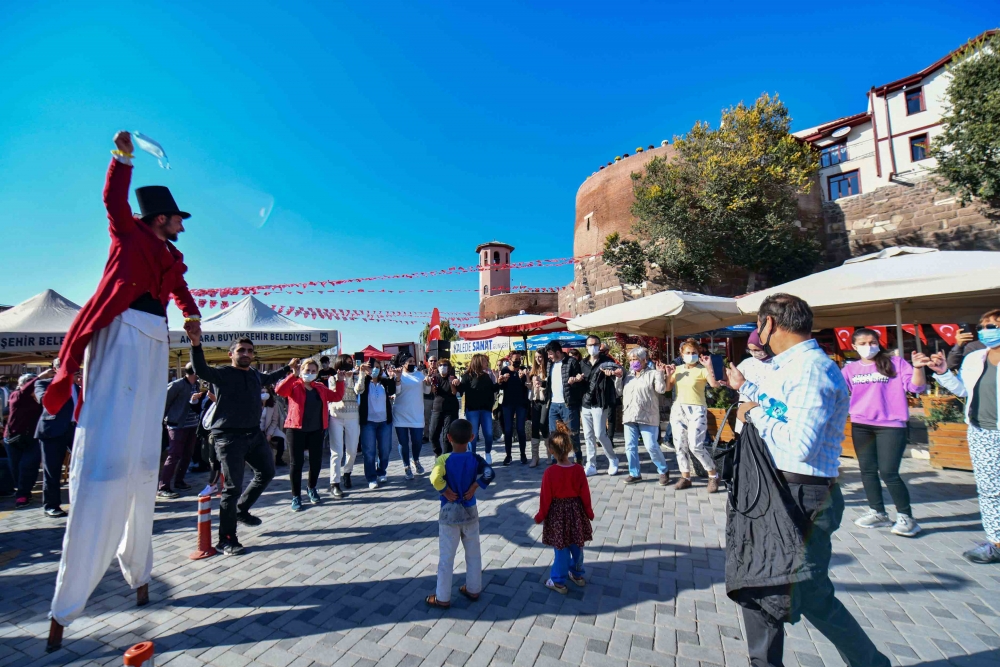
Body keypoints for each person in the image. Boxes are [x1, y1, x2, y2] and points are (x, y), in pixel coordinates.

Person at [45, 131, 203, 647]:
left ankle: (137, 568)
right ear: (160, 218)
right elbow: (113, 198)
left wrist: (192, 314)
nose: (182, 224)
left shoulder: (170, 257)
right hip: (120, 333)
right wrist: (122, 158)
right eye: (178, 217)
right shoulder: (129, 235)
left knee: (142, 456)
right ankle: (69, 598)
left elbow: (178, 287)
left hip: (154, 340)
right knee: (110, 450)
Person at [725, 293, 891, 667]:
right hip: (779, 490)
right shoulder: (789, 367)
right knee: (761, 586)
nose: (757, 331)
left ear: (769, 324)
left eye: (758, 324)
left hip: (803, 497)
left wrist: (753, 415)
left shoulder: (812, 369)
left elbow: (800, 444)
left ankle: (870, 663)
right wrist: (746, 390)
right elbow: (780, 409)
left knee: (805, 592)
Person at [190, 335, 292, 555]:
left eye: (249, 351)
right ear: (231, 354)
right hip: (229, 438)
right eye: (241, 350)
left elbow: (268, 377)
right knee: (232, 488)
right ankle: (226, 539)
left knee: (267, 472)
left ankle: (241, 509)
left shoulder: (255, 374)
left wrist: (288, 368)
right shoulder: (223, 374)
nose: (246, 354)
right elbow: (200, 369)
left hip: (253, 434)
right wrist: (195, 345)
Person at [928, 309, 1000, 563]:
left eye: (993, 325)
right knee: (990, 490)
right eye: (984, 326)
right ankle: (996, 542)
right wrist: (942, 371)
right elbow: (963, 390)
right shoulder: (975, 357)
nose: (986, 330)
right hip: (981, 431)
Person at [842, 328, 928, 537]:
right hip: (861, 424)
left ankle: (906, 517)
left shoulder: (895, 363)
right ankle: (878, 512)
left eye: (872, 342)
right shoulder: (849, 369)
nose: (868, 346)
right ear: (853, 347)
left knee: (889, 472)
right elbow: (838, 393)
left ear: (879, 342)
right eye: (862, 343)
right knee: (867, 470)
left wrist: (918, 368)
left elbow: (916, 388)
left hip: (891, 424)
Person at [425, 418, 494, 609]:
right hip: (470, 510)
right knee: (473, 552)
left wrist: (444, 490)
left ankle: (442, 597)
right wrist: (476, 485)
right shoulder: (475, 459)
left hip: (449, 513)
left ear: (448, 438)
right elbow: (489, 473)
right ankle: (473, 588)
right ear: (472, 438)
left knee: (446, 557)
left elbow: (434, 477)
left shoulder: (443, 459)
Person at [275, 359, 345, 511]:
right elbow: (280, 391)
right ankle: (296, 496)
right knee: (296, 463)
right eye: (307, 370)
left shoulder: (319, 387)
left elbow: (336, 397)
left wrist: (340, 381)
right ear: (301, 370)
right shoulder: (294, 385)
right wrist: (293, 374)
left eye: (313, 371)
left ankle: (311, 488)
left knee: (315, 462)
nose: (310, 373)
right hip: (295, 429)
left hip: (316, 430)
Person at [535, 423, 594, 594]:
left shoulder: (550, 472)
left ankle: (558, 581)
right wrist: (588, 512)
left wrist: (540, 516)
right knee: (577, 545)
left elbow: (545, 498)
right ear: (569, 448)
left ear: (551, 450)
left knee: (561, 548)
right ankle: (577, 574)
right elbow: (585, 494)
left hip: (558, 514)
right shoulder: (578, 470)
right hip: (576, 512)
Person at [665, 338, 723, 493]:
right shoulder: (677, 369)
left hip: (697, 409)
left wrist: (709, 366)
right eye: (688, 353)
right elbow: (667, 388)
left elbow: (715, 384)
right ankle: (686, 477)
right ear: (681, 354)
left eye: (694, 353)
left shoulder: (702, 369)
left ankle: (713, 474)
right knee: (679, 446)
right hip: (678, 409)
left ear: (698, 353)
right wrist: (667, 375)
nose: (691, 355)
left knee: (695, 445)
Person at [34, 362, 80, 518]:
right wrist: (60, 383)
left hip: (76, 430)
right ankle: (51, 506)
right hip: (52, 431)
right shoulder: (44, 384)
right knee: (52, 471)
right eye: (63, 365)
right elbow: (45, 401)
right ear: (55, 369)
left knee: (84, 467)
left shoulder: (79, 387)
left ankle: (82, 503)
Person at [620, 347, 671, 485]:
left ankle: (663, 470)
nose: (632, 362)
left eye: (635, 359)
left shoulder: (653, 373)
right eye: (630, 360)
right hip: (630, 415)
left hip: (648, 416)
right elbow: (619, 391)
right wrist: (618, 378)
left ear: (644, 360)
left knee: (651, 446)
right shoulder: (628, 375)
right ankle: (634, 473)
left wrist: (660, 373)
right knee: (630, 446)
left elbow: (661, 390)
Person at [158, 363, 203, 499]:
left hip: (192, 424)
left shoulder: (196, 385)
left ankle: (179, 481)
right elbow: (164, 402)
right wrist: (162, 420)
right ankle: (163, 486)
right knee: (174, 455)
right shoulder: (177, 385)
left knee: (187, 454)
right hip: (176, 425)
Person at [580, 335, 621, 476]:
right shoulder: (583, 363)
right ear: (586, 347)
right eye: (590, 345)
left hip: (600, 401)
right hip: (585, 402)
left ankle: (613, 458)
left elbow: (619, 372)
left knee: (600, 434)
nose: (593, 347)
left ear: (600, 346)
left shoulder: (607, 361)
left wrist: (612, 374)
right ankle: (591, 464)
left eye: (595, 344)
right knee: (588, 435)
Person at [5, 372, 46, 508]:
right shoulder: (16, 396)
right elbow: (24, 391)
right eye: (29, 381)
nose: (33, 384)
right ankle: (23, 490)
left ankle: (23, 494)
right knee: (15, 468)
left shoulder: (39, 398)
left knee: (28, 466)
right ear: (21, 384)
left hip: (33, 438)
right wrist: (40, 376)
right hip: (13, 438)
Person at [357, 357, 397, 489]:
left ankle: (381, 471)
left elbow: (392, 391)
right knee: (369, 451)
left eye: (377, 367)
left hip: (384, 421)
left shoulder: (384, 382)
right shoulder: (363, 381)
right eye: (372, 367)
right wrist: (362, 373)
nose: (375, 370)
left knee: (385, 449)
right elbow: (358, 390)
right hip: (368, 422)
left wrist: (392, 378)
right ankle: (371, 477)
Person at [544, 340, 586, 464]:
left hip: (568, 404)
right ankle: (555, 460)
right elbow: (550, 383)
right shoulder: (550, 364)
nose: (549, 357)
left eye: (551, 354)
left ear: (558, 352)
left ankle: (578, 457)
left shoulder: (571, 362)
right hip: (553, 404)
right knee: (554, 435)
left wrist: (575, 381)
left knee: (572, 434)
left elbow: (580, 383)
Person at [328, 354, 360, 496]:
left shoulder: (355, 376)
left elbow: (359, 390)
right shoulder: (332, 378)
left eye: (350, 363)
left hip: (353, 416)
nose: (349, 365)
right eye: (346, 363)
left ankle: (347, 472)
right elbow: (335, 393)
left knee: (352, 450)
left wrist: (361, 374)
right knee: (337, 451)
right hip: (336, 416)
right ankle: (334, 482)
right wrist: (343, 378)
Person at [391, 352, 426, 480]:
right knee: (403, 443)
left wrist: (427, 383)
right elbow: (397, 391)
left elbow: (426, 391)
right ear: (403, 363)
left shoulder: (419, 374)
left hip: (416, 414)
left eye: (413, 361)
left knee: (417, 441)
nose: (412, 364)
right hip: (401, 414)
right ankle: (406, 466)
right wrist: (398, 378)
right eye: (409, 362)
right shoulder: (398, 375)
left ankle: (415, 460)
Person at [458, 354, 498, 461]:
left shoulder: (487, 376)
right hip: (472, 410)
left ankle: (488, 453)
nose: (487, 363)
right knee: (473, 435)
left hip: (486, 409)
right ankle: (472, 457)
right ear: (479, 362)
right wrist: (456, 383)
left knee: (489, 434)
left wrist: (499, 381)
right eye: (485, 361)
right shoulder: (467, 376)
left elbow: (493, 389)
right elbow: (461, 391)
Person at [734, 331, 774, 434]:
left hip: (769, 419)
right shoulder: (746, 363)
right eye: (750, 350)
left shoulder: (777, 363)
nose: (754, 353)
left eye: (757, 349)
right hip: (746, 419)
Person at [498, 351, 530, 465]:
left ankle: (523, 454)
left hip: (521, 404)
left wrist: (525, 376)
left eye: (519, 359)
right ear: (510, 360)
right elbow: (500, 386)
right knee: (508, 430)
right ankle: (508, 455)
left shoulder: (524, 369)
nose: (518, 361)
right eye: (515, 359)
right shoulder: (505, 370)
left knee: (521, 429)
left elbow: (528, 386)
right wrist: (501, 380)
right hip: (508, 404)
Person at [427, 359, 460, 457]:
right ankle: (438, 453)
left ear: (449, 367)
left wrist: (451, 382)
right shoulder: (435, 378)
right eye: (440, 365)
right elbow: (434, 391)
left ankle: (446, 457)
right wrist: (431, 381)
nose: (442, 367)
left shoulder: (452, 377)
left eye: (445, 365)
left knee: (447, 436)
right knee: (432, 435)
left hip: (451, 410)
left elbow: (454, 392)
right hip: (437, 409)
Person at [528, 352, 549, 467]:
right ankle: (534, 456)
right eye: (536, 357)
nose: (538, 359)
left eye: (540, 357)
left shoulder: (549, 368)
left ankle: (549, 454)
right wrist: (528, 380)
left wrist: (542, 383)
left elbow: (550, 384)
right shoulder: (533, 371)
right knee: (535, 426)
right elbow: (529, 387)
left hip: (545, 400)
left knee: (543, 425)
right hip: (535, 401)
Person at [260, 385, 285, 467]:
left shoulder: (273, 405)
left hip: (270, 427)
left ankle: (279, 459)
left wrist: (269, 434)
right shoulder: (253, 404)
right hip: (257, 430)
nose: (265, 394)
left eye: (267, 392)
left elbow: (274, 420)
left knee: (281, 438)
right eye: (262, 392)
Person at [423, 355, 437, 442]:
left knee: (436, 418)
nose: (433, 362)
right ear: (428, 362)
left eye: (435, 361)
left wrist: (436, 376)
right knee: (426, 418)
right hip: (427, 398)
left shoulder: (440, 371)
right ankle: (426, 435)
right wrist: (429, 375)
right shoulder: (423, 372)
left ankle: (435, 435)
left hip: (437, 398)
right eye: (431, 361)